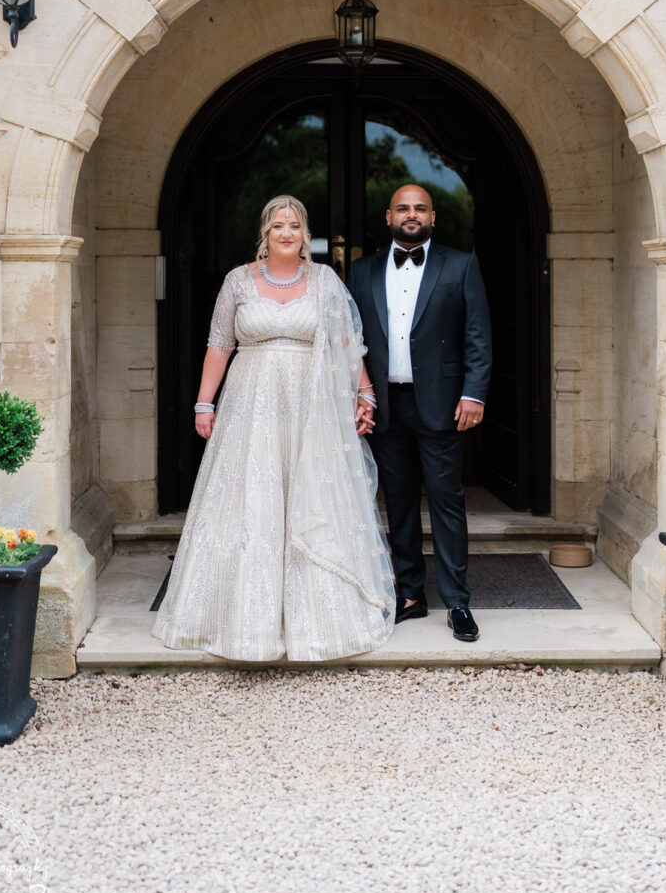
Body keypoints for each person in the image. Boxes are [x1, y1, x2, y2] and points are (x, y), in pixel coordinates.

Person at [152, 195, 395, 662]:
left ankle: (320, 624)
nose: (286, 232)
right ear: (265, 233)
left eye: (295, 225)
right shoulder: (237, 281)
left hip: (311, 407)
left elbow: (348, 343)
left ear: (306, 234)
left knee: (312, 499)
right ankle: (245, 625)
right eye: (278, 224)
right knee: (250, 502)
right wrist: (204, 401)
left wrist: (364, 392)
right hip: (250, 407)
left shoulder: (325, 281)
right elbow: (219, 345)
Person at [348, 184, 492, 643]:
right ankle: (410, 594)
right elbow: (348, 341)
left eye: (420, 209)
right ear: (389, 215)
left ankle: (458, 601)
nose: (412, 215)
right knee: (400, 503)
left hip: (443, 403)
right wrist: (358, 396)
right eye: (403, 208)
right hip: (386, 405)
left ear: (433, 217)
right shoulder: (360, 271)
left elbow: (478, 336)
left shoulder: (461, 264)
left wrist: (475, 394)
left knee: (447, 502)